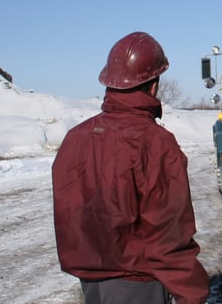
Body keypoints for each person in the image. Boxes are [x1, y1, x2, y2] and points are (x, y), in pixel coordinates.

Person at [52, 31, 209, 304]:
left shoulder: (75, 138)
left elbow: (70, 214)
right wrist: (191, 293)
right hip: (138, 283)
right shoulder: (155, 143)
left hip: (91, 283)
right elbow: (168, 233)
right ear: (154, 85)